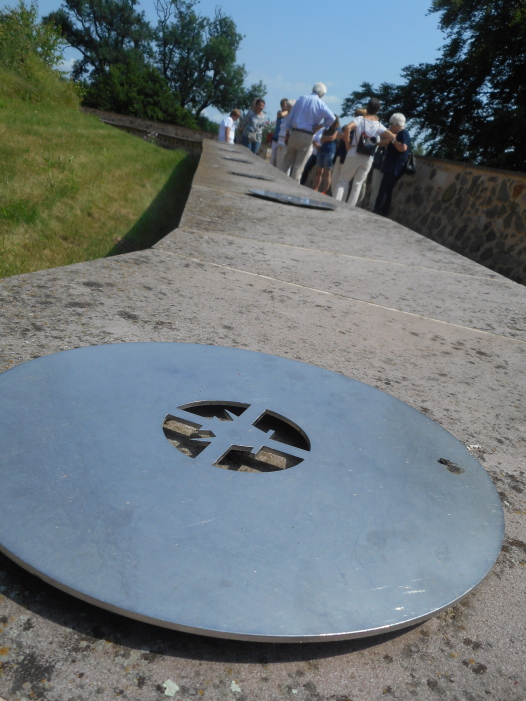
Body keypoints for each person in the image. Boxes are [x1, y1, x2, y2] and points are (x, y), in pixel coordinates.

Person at [332, 98, 395, 205]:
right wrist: (377, 144)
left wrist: (347, 144)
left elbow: (347, 128)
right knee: (357, 184)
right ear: (377, 110)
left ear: (367, 107)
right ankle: (349, 208)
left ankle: (335, 204)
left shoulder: (360, 119)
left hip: (354, 153)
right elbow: (391, 137)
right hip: (368, 158)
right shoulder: (378, 125)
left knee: (343, 181)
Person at [279, 82, 336, 183]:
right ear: (322, 94)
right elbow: (332, 118)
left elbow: (290, 116)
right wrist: (321, 125)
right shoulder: (320, 103)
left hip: (294, 133)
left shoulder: (301, 99)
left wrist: (287, 133)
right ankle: (291, 187)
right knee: (299, 165)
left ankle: (277, 181)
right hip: (307, 135)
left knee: (286, 160)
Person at [374, 113, 411, 217]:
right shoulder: (401, 134)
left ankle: (378, 211)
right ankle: (383, 213)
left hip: (394, 168)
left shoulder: (403, 133)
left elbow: (403, 147)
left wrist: (393, 140)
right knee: (387, 191)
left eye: (391, 124)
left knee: (383, 191)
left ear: (397, 125)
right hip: (393, 167)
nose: (390, 127)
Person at [313, 118, 340, 194]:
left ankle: (325, 190)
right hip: (322, 151)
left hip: (330, 151)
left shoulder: (338, 129)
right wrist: (327, 138)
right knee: (319, 171)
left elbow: (332, 138)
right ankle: (316, 188)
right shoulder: (326, 128)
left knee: (327, 173)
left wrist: (326, 138)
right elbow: (321, 139)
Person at [275, 100, 295, 170]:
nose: (286, 108)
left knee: (284, 164)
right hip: (280, 142)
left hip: (286, 144)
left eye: (288, 107)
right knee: (278, 164)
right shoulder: (285, 117)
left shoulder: (293, 117)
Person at [270, 99, 290, 166]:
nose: (285, 107)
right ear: (281, 106)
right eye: (284, 106)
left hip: (283, 140)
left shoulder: (289, 116)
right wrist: (289, 110)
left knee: (280, 158)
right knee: (273, 157)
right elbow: (281, 114)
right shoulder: (279, 113)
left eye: (287, 106)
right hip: (276, 138)